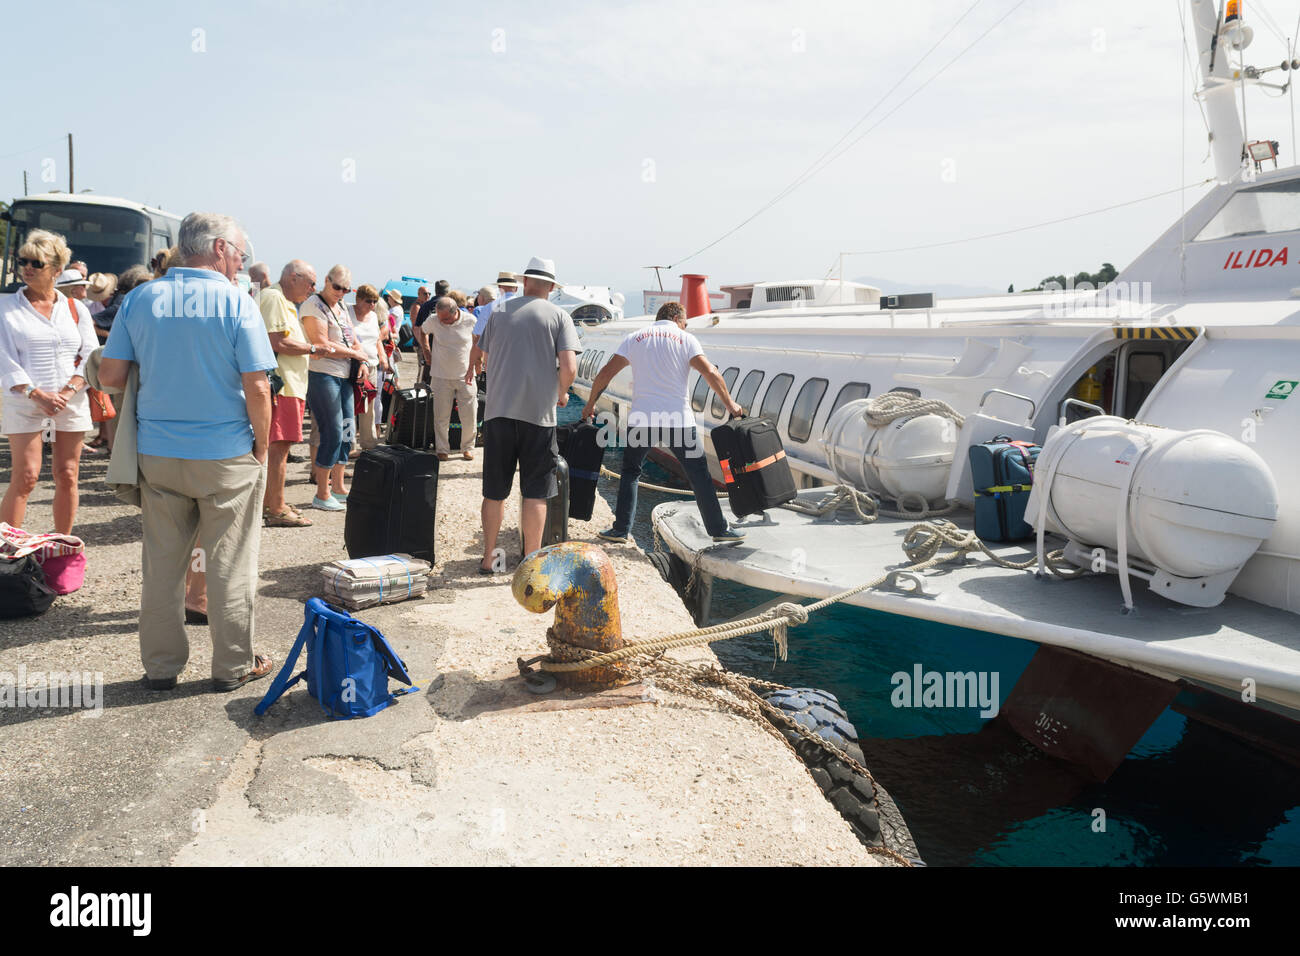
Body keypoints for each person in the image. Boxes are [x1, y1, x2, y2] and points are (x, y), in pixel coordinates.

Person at [97, 211, 277, 693]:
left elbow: (111, 379)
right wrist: (261, 445)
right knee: (230, 564)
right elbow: (257, 387)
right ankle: (232, 666)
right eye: (240, 252)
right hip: (224, 455)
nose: (241, 262)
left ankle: (160, 668)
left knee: (162, 567)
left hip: (158, 454)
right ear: (219, 248)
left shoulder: (140, 298)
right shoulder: (237, 303)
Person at [582, 301, 744, 544]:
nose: (686, 327)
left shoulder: (635, 338)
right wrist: (731, 405)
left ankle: (621, 529)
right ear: (678, 319)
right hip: (677, 418)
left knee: (631, 471)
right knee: (699, 475)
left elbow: (606, 373)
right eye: (686, 323)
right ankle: (718, 530)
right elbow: (711, 372)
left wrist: (590, 404)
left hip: (642, 418)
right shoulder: (685, 339)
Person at [477, 257, 579, 574]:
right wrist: (560, 393)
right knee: (535, 492)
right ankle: (530, 562)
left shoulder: (499, 311)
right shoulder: (559, 316)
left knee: (494, 491)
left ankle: (489, 558)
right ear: (550, 286)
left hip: (498, 412)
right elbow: (570, 369)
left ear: (525, 282)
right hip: (539, 416)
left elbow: (484, 358)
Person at [0, 230, 98, 534]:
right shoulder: (6, 307)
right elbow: (3, 357)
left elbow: (91, 354)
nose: (26, 268)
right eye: (23, 261)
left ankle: (61, 547)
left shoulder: (75, 308)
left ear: (57, 270)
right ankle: (6, 554)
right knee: (26, 476)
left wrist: (68, 392)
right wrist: (36, 393)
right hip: (24, 401)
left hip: (71, 401)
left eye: (36, 263)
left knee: (67, 473)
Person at [300, 265, 369, 511]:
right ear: (326, 281)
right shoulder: (313, 306)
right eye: (337, 287)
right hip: (323, 374)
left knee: (349, 430)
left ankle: (338, 487)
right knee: (332, 431)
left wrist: (360, 360)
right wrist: (356, 354)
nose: (341, 292)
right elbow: (322, 343)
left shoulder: (340, 306)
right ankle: (322, 491)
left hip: (345, 374)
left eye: (346, 289)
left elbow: (351, 337)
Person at [260, 259, 319, 527]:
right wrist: (314, 349)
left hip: (289, 385)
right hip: (283, 386)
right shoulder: (273, 298)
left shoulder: (282, 300)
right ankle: (276, 507)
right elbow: (277, 341)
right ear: (293, 277)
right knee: (279, 448)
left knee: (279, 447)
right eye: (310, 283)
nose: (312, 289)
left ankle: (272, 502)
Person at [422, 296, 476, 461]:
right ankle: (442, 449)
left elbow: (478, 343)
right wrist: (426, 351)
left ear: (456, 312)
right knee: (440, 416)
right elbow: (422, 331)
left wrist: (476, 364)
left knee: (469, 415)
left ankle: (467, 448)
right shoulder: (434, 320)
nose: (442, 321)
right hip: (440, 375)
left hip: (465, 375)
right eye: (439, 317)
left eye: (445, 318)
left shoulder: (470, 320)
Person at [348, 284, 390, 451]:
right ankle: (349, 445)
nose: (372, 305)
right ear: (358, 299)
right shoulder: (347, 313)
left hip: (371, 366)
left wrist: (383, 358)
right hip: (352, 366)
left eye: (375, 301)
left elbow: (377, 339)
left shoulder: (373, 316)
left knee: (369, 407)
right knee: (349, 407)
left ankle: (369, 444)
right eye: (368, 301)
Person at [468, 271, 519, 380]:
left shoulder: (488, 308)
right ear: (516, 288)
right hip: (519, 363)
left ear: (500, 287)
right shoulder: (525, 307)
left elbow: (477, 340)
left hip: (494, 363)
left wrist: (471, 368)